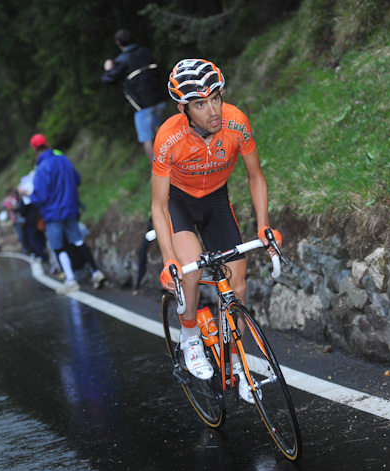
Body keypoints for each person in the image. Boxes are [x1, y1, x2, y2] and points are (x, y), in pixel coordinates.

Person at [151, 59, 283, 403]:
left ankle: (239, 365)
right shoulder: (168, 138)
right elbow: (159, 206)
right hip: (178, 203)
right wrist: (168, 260)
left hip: (216, 201)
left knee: (236, 283)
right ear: (184, 109)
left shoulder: (237, 123)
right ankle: (191, 335)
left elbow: (255, 176)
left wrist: (264, 224)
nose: (212, 110)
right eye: (200, 103)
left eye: (216, 97)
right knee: (191, 272)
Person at [28, 133, 105, 294]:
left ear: (35, 149)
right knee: (78, 241)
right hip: (71, 209)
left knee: (58, 246)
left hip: (53, 214)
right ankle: (96, 273)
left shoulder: (41, 168)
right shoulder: (63, 159)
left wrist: (29, 196)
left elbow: (40, 197)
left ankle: (70, 281)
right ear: (47, 144)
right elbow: (77, 179)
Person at [101, 28, 166, 160]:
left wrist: (108, 69)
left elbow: (108, 79)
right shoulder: (145, 51)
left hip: (141, 105)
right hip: (158, 99)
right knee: (159, 129)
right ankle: (173, 162)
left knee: (146, 139)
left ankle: (157, 171)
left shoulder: (121, 60)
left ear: (119, 43)